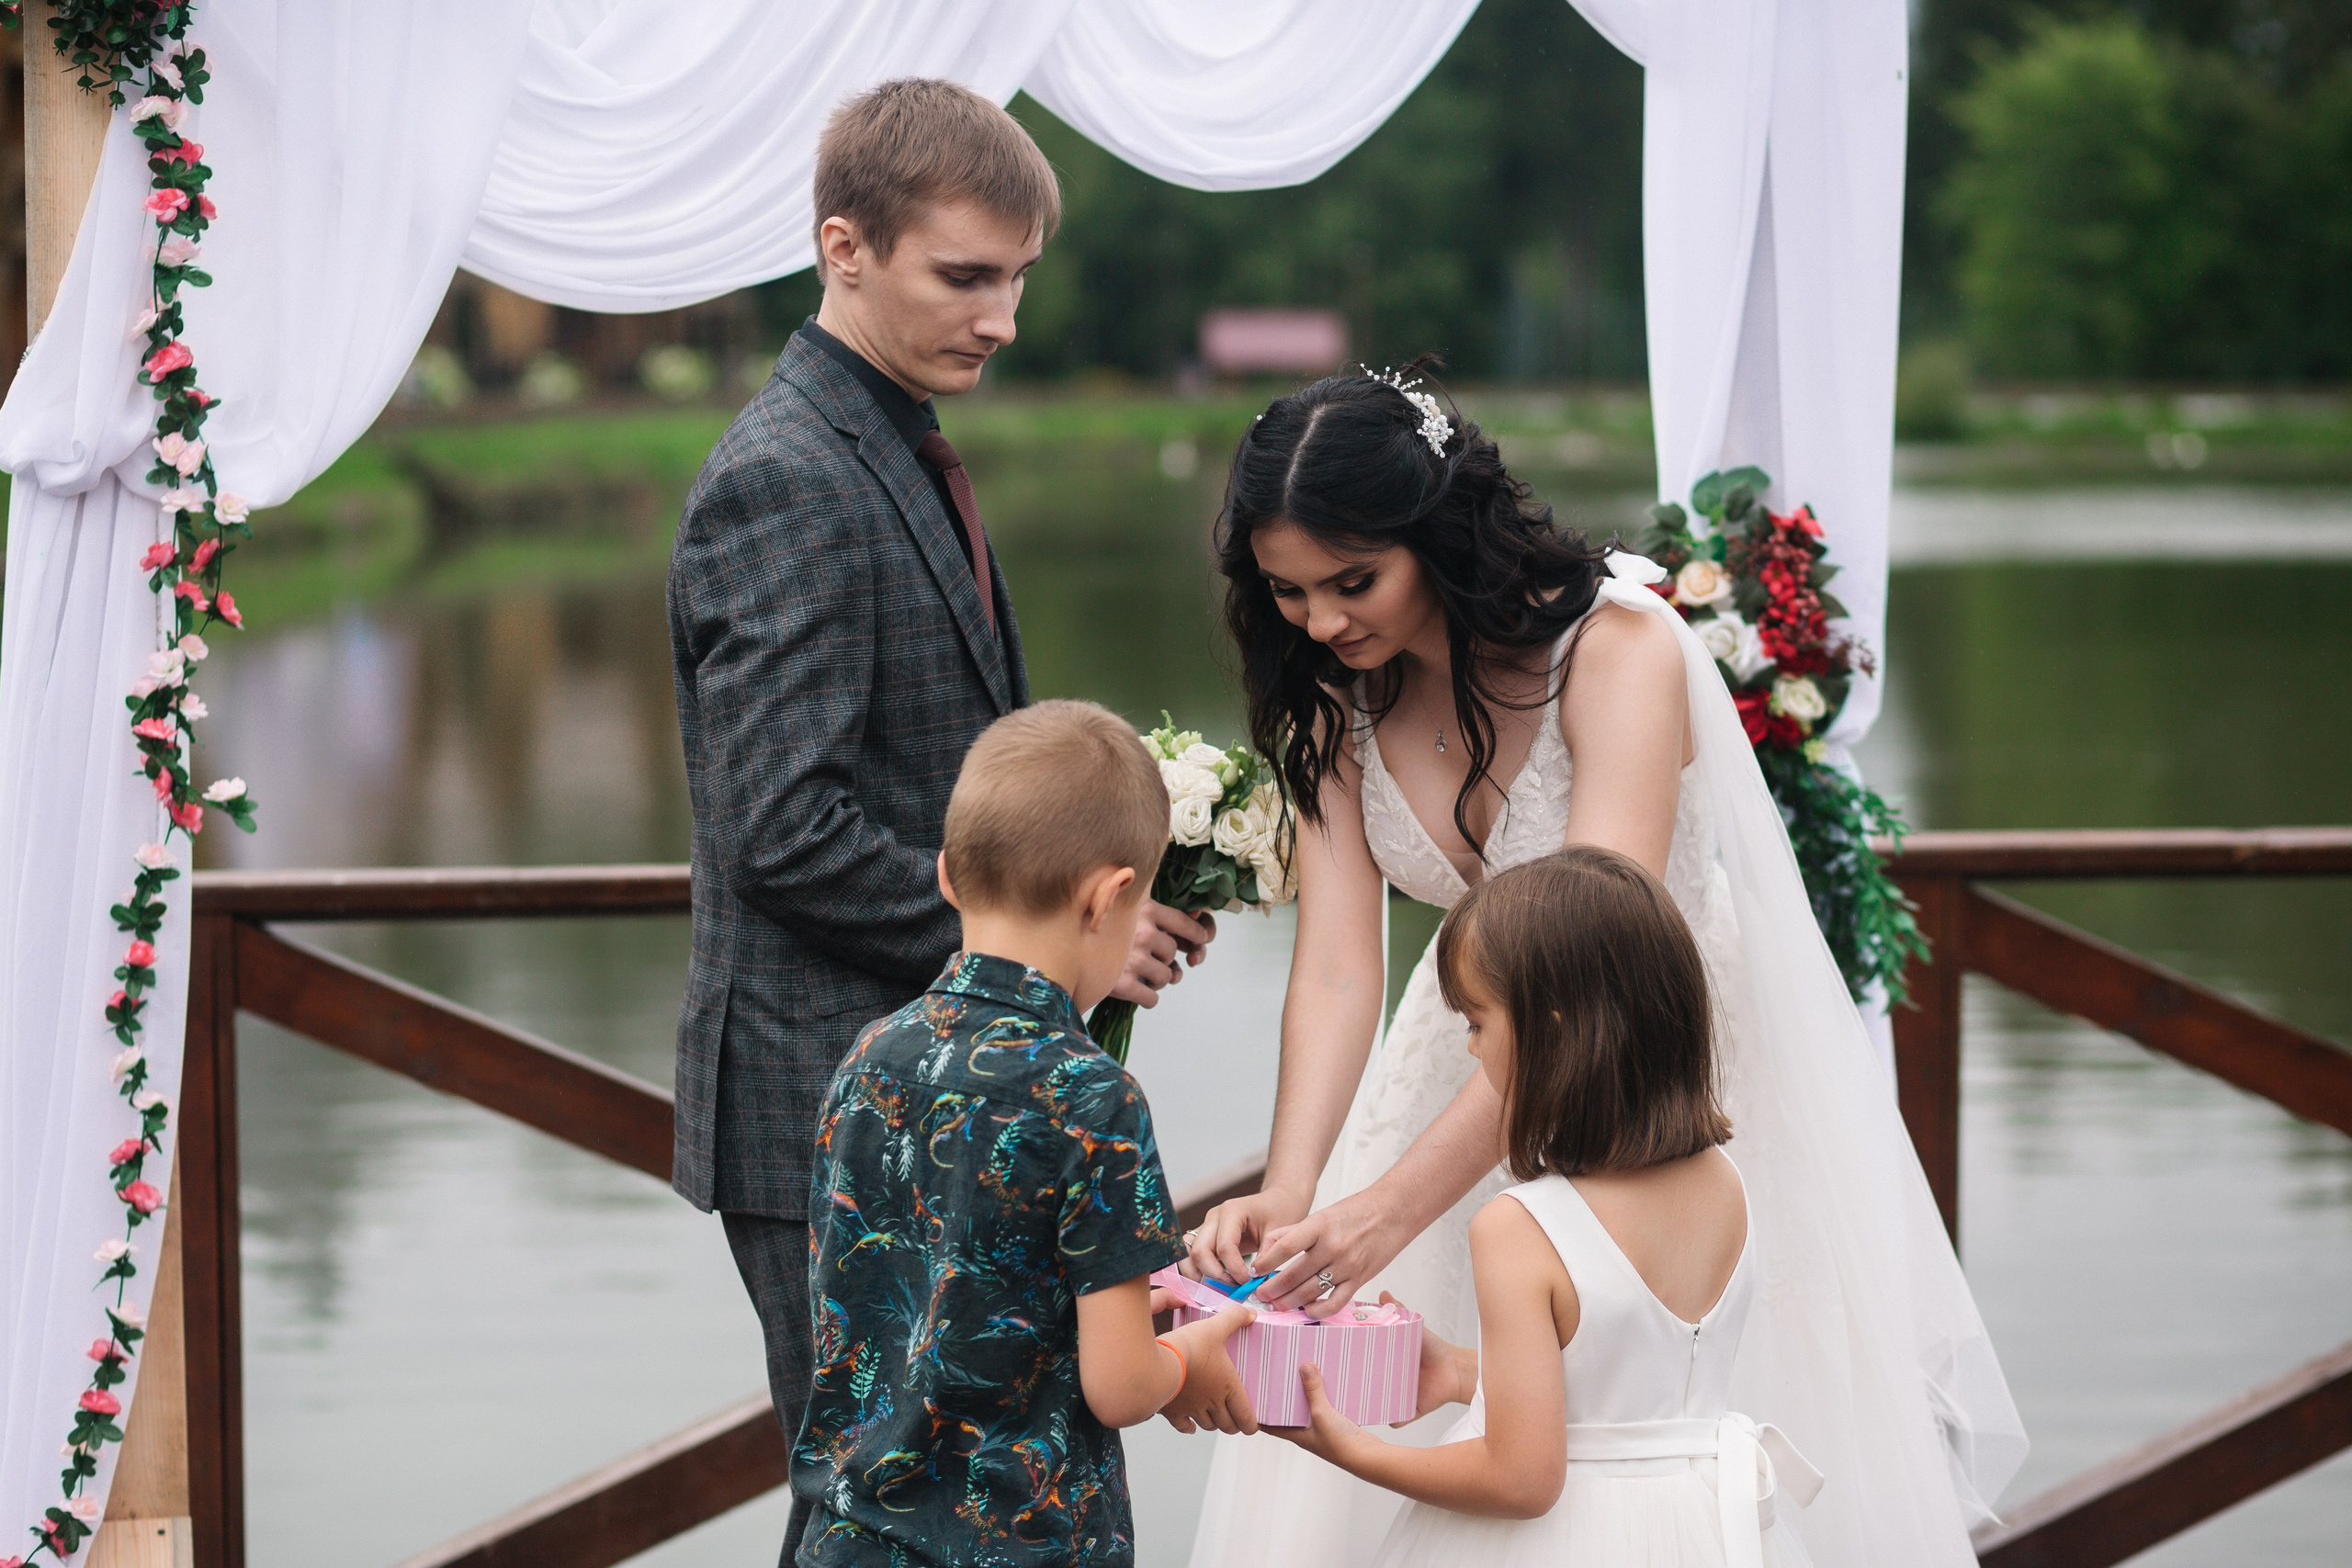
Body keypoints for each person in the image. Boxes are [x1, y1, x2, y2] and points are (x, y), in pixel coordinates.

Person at [1182, 369, 2023, 1567]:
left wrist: (1391, 1208)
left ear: (1435, 530)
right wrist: (1306, 1189)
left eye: (1351, 581)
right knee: (1383, 1389)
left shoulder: (1615, 647)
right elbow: (1332, 968)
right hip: (1469, 1043)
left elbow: (1589, 963)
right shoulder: (1327, 687)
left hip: (1659, 1067)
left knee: (1695, 1420)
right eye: (1287, 591)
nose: (1320, 621)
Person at [665, 81, 1213, 1562]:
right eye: (964, 276)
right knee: (874, 1509)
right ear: (845, 247)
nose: (1003, 317)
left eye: (1017, 278)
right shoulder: (784, 478)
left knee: (945, 1499)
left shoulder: (885, 436)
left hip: (939, 1088)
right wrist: (1047, 945)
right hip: (830, 1101)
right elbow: (780, 827)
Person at [795, 702, 1257, 1565]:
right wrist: (1191, 1358)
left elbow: (899, 1290)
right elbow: (1121, 1385)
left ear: (945, 877)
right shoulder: (1093, 1096)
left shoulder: (867, 1057)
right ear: (1112, 896)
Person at [1271, 848, 1820, 1567]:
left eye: (1477, 1022)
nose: (1471, 1049)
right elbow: (1635, 1396)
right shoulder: (1724, 1184)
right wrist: (1467, 1374)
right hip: (1707, 1529)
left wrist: (1356, 1450)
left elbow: (1523, 1478)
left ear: (1553, 1029)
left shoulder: (1520, 1228)